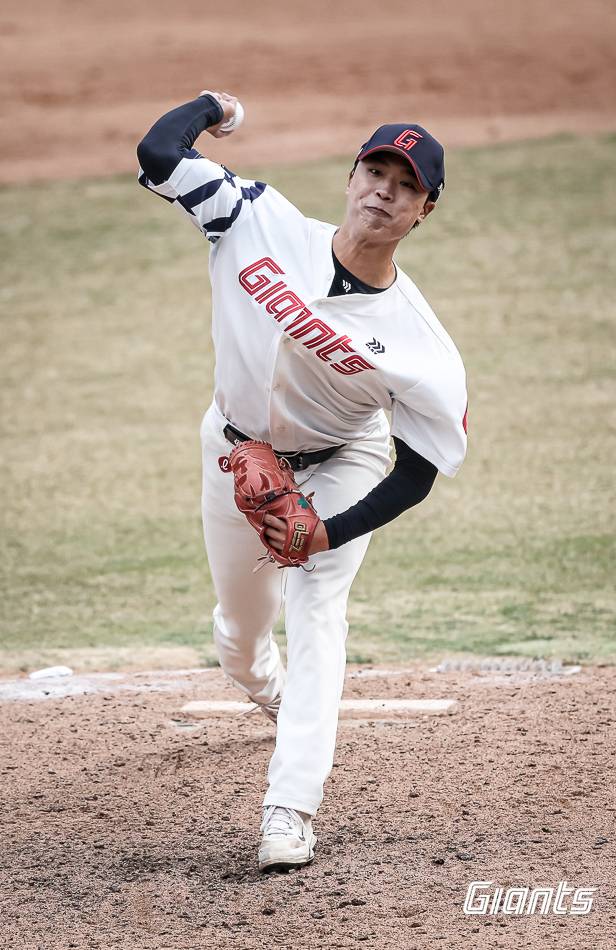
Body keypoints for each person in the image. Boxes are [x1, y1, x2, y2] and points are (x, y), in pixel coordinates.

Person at [137, 91, 467, 872]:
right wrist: (215, 107)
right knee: (241, 635)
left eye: (406, 184)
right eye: (375, 170)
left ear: (423, 211)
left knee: (320, 609)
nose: (384, 190)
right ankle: (262, 683)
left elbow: (418, 470)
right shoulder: (260, 221)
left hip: (343, 461)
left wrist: (327, 531)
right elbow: (158, 156)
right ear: (352, 175)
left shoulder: (421, 346)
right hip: (233, 451)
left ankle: (289, 809)